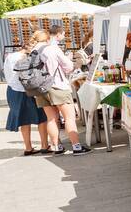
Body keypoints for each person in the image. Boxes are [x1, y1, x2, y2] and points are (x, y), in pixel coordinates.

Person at [36, 25, 90, 156]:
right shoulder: (54, 49)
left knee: (51, 119)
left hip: (40, 87)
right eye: (63, 34)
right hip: (57, 86)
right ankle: (76, 147)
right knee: (69, 118)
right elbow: (68, 67)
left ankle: (57, 147)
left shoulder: (36, 49)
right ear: (58, 34)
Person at [4, 31, 51, 156]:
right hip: (32, 90)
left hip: (14, 91)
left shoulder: (10, 56)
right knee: (42, 118)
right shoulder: (34, 57)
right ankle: (45, 146)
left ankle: (28, 148)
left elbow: (6, 74)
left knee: (24, 120)